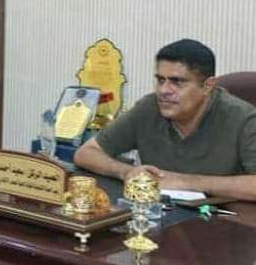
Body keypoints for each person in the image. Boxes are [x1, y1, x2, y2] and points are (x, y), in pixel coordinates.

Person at [74, 39, 256, 200]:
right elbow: (86, 153)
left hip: (224, 220)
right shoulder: (149, 107)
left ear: (208, 86)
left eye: (177, 82)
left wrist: (185, 182)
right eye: (161, 80)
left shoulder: (244, 118)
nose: (164, 90)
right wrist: (127, 172)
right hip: (159, 215)